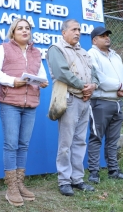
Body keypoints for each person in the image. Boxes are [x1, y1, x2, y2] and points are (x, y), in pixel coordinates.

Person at [0, 18, 49, 206]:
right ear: (12, 32)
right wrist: (13, 81)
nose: (24, 31)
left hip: (30, 103)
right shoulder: (3, 49)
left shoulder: (36, 52)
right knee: (11, 144)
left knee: (23, 145)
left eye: (27, 28)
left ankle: (20, 183)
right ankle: (11, 187)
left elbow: (43, 75)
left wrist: (43, 81)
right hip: (9, 102)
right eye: (20, 28)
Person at [46, 19, 99, 196]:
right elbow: (62, 73)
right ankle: (64, 181)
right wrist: (84, 86)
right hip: (69, 99)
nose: (78, 33)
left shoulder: (83, 52)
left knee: (80, 141)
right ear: (63, 32)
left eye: (79, 30)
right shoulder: (56, 49)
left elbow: (95, 74)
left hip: (85, 100)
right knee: (66, 143)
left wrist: (93, 86)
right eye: (74, 29)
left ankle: (77, 179)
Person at [87, 26, 123, 184]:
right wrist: (120, 86)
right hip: (100, 102)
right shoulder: (91, 54)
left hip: (117, 103)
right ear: (94, 40)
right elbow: (99, 79)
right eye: (102, 36)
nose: (107, 38)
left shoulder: (115, 55)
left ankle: (113, 170)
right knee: (96, 137)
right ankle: (94, 172)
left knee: (113, 139)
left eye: (108, 35)